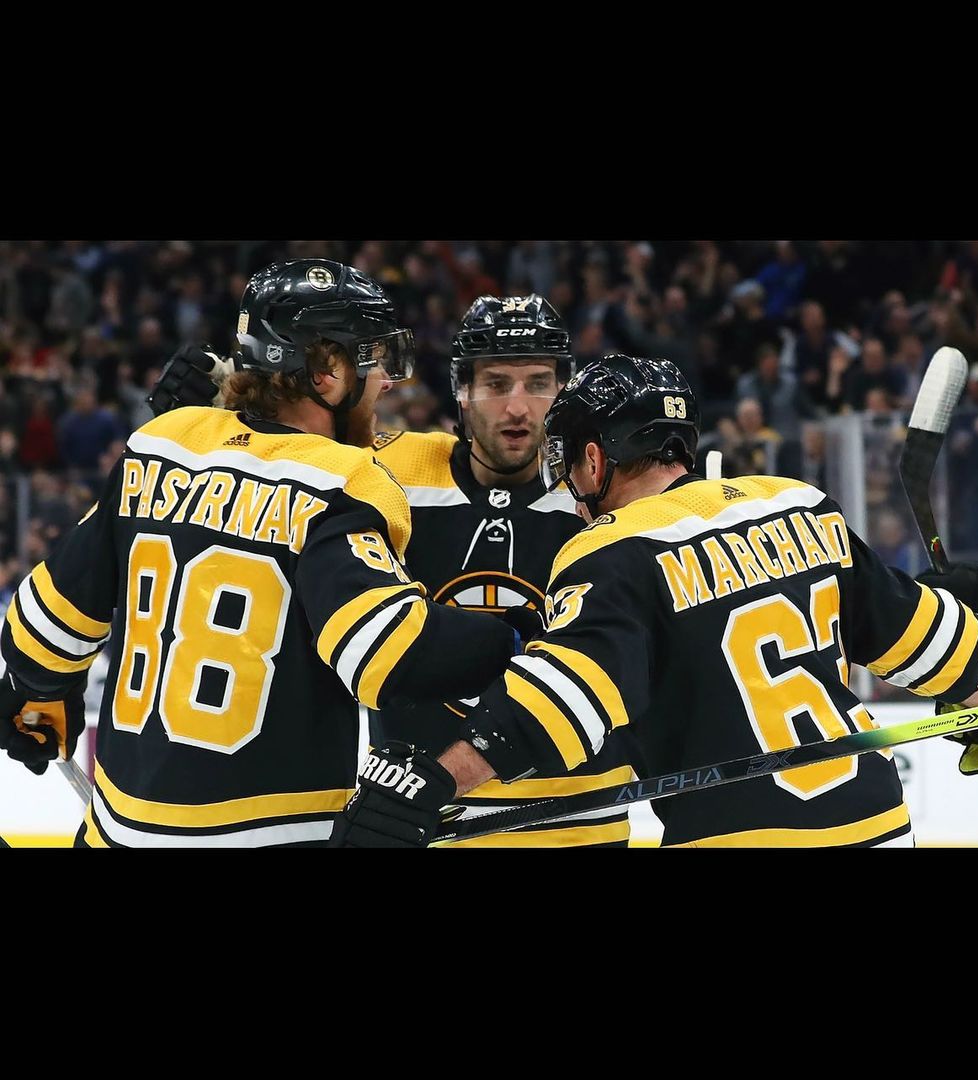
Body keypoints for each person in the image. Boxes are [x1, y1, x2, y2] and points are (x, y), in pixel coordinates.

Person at [329, 354, 978, 848]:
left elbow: (558, 706)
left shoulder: (609, 550)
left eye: (572, 461)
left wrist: (432, 782)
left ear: (596, 458)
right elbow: (927, 642)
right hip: (878, 824)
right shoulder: (795, 502)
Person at [0, 260, 529, 846]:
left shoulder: (160, 442)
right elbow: (384, 652)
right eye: (374, 360)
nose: (384, 382)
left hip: (117, 830)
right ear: (328, 372)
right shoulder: (343, 478)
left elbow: (41, 622)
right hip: (271, 831)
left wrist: (38, 694)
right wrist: (515, 637)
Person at [143, 294, 639, 848]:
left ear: (565, 390)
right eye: (496, 384)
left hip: (577, 821)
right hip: (411, 822)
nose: (518, 408)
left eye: (539, 383)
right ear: (461, 389)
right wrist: (213, 416)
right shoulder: (381, 467)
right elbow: (275, 448)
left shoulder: (614, 492)